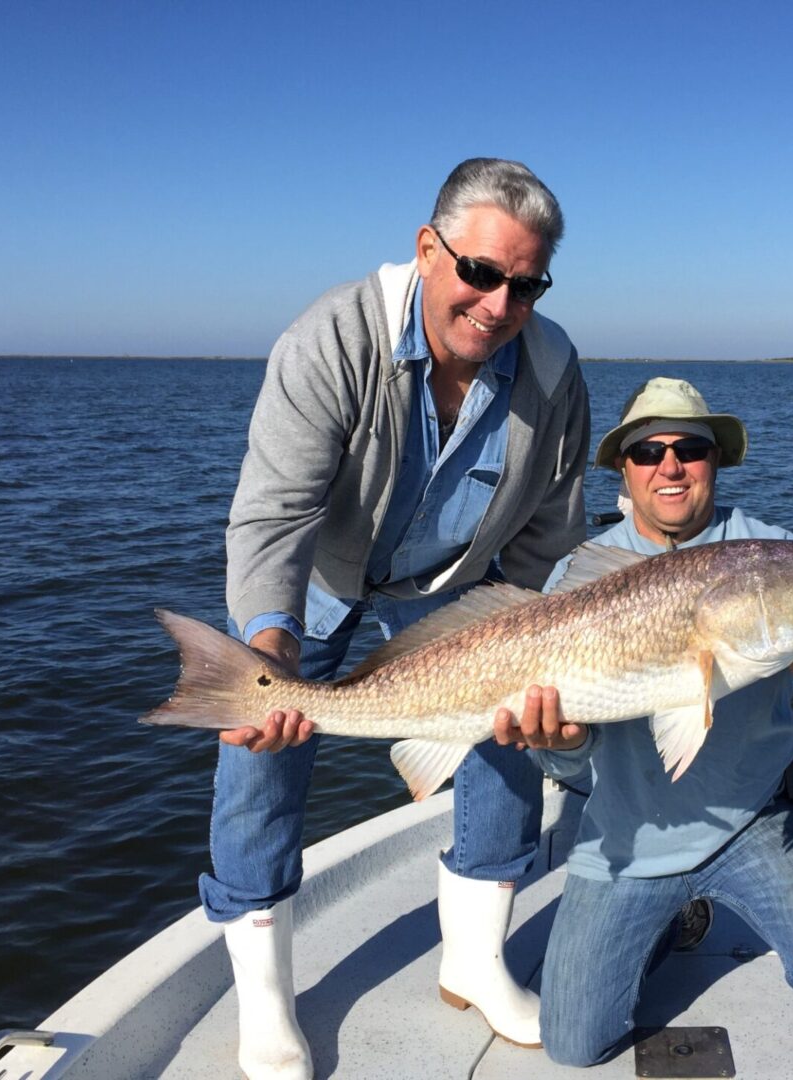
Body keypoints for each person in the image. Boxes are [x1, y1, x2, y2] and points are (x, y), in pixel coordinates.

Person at [208, 158, 590, 1078]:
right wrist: (269, 645)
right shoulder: (332, 340)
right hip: (323, 574)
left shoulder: (554, 371)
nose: (500, 305)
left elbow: (551, 524)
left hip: (454, 581)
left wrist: (533, 641)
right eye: (482, 273)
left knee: (506, 740)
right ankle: (265, 1001)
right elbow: (273, 515)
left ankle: (475, 961)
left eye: (526, 284)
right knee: (258, 746)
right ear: (428, 250)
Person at [493, 377, 793, 1079]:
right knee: (571, 1042)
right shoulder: (579, 579)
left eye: (692, 448)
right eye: (649, 450)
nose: (670, 465)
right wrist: (560, 747)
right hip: (627, 830)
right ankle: (665, 921)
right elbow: (575, 773)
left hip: (761, 821)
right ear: (625, 466)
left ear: (717, 460)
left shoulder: (774, 554)